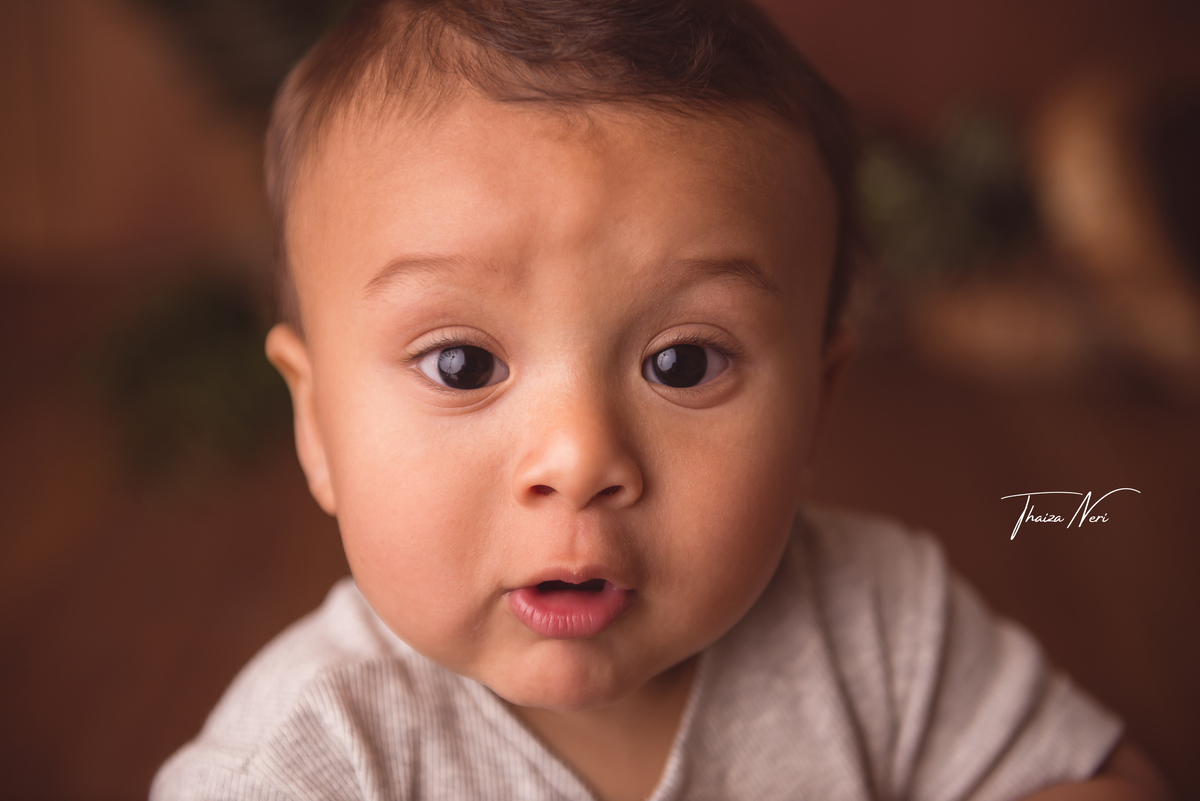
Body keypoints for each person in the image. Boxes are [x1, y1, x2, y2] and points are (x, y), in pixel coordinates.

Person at [152, 1, 1171, 799]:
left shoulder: (880, 625)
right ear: (317, 424)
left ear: (816, 406)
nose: (581, 457)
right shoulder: (311, 755)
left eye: (684, 363)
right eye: (463, 364)